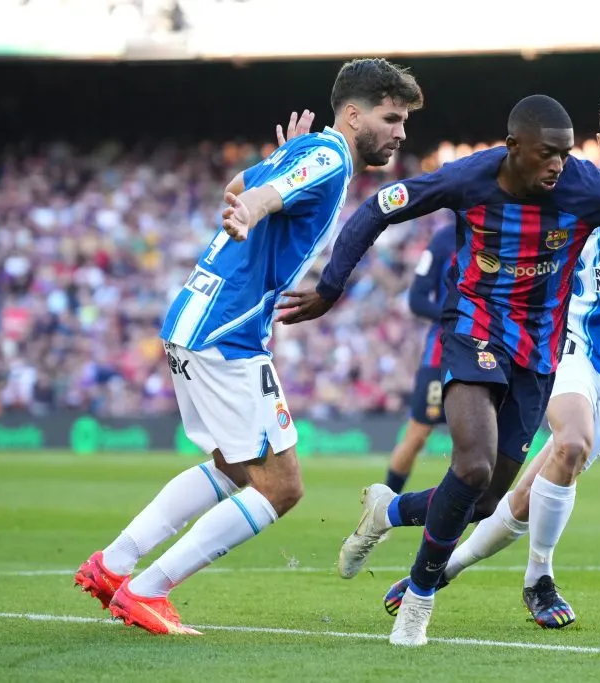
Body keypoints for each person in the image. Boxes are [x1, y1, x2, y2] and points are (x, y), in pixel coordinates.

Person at [276, 93, 600, 646]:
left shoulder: (597, 190)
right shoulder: (478, 176)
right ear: (518, 149)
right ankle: (480, 590)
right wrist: (330, 287)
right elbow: (382, 205)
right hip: (506, 331)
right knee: (518, 454)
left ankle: (393, 514)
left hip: (560, 353)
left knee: (489, 499)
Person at [72, 58, 424, 635]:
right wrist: (257, 204)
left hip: (192, 320)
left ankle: (112, 566)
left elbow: (237, 188)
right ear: (354, 114)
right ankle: (146, 589)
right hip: (226, 334)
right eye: (391, 117)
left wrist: (270, 171)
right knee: (281, 488)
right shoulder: (332, 154)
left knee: (232, 468)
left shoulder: (310, 151)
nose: (400, 132)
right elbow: (255, 198)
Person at [384, 224, 456, 493]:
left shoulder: (502, 230)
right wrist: (456, 318)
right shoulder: (444, 239)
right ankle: (382, 507)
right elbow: (416, 299)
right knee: (416, 435)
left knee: (477, 442)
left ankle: (469, 518)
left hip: (485, 352)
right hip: (441, 354)